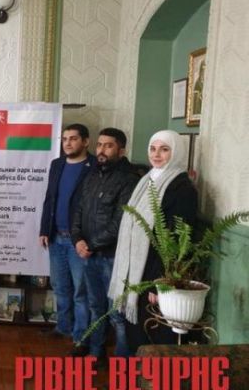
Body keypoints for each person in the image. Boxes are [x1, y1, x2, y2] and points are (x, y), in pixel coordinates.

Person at [109, 130, 198, 354]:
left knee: (150, 337)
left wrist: (160, 284)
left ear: (176, 152)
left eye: (164, 149)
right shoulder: (147, 180)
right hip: (136, 274)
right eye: (153, 148)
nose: (156, 154)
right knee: (135, 334)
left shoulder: (182, 188)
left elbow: (176, 241)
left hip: (154, 278)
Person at [70, 127, 139, 361]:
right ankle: (95, 353)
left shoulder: (129, 179)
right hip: (89, 255)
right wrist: (77, 239)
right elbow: (79, 211)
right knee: (95, 307)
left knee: (116, 313)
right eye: (99, 145)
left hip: (112, 257)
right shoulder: (92, 175)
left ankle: (123, 364)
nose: (101, 150)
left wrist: (90, 245)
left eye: (108, 146)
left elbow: (120, 222)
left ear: (121, 150)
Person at [39, 123, 96, 355]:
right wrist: (44, 229)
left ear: (85, 141)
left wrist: (86, 238)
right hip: (55, 237)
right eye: (64, 139)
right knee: (60, 287)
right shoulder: (57, 164)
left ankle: (81, 337)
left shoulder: (94, 167)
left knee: (81, 292)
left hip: (78, 241)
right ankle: (63, 327)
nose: (68, 143)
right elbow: (49, 198)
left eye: (73, 139)